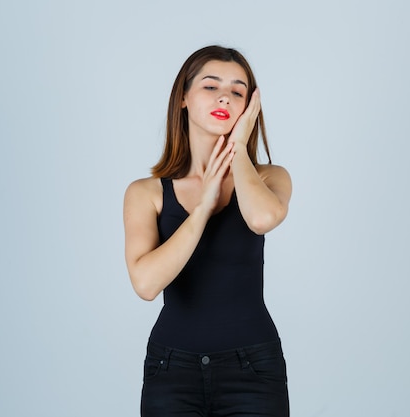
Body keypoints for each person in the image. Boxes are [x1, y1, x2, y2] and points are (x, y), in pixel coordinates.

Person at [123, 45, 292, 417]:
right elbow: (146, 284)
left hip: (253, 368)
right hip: (171, 369)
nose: (224, 97)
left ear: (249, 107)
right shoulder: (146, 193)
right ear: (182, 97)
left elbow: (261, 219)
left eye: (237, 91)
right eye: (210, 86)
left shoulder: (269, 178)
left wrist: (238, 150)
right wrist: (202, 207)